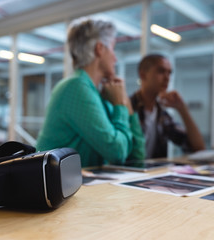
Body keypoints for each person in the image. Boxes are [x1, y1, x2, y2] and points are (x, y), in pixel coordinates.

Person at [36, 18, 145, 168]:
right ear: (99, 49)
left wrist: (126, 105)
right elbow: (117, 152)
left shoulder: (98, 93)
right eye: (113, 48)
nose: (115, 58)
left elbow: (137, 159)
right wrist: (120, 106)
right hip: (55, 187)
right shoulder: (75, 87)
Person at [130, 54, 205, 159]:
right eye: (161, 71)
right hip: (130, 173)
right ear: (143, 75)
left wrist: (182, 109)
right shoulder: (127, 107)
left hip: (153, 173)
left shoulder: (162, 115)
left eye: (169, 73)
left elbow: (197, 148)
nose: (167, 78)